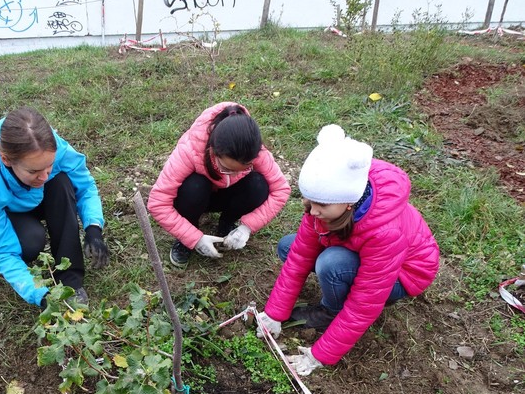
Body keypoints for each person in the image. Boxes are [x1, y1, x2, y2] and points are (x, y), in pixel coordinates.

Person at [257, 124, 440, 376]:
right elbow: (300, 256)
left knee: (331, 264)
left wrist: (320, 354)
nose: (311, 212)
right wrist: (274, 313)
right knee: (288, 247)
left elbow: (365, 302)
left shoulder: (385, 232)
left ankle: (330, 311)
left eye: (319, 205)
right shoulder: (331, 196)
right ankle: (337, 287)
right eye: (308, 201)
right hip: (358, 246)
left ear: (348, 203)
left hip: (405, 273)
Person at [0, 107, 108, 307]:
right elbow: (3, 252)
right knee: (30, 243)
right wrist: (41, 296)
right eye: (35, 170)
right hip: (7, 209)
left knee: (62, 183)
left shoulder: (49, 146)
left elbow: (85, 186)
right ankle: (21, 240)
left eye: (49, 166)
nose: (45, 176)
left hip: (36, 195)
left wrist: (93, 227)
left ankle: (70, 280)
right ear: (6, 160)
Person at [147, 102, 290, 267]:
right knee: (195, 186)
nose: (236, 174)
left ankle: (227, 224)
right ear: (213, 151)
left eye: (244, 168)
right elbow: (158, 202)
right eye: (227, 168)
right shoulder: (190, 150)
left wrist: (248, 227)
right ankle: (188, 234)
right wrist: (194, 238)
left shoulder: (254, 150)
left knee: (258, 185)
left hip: (228, 195)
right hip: (197, 197)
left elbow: (281, 189)